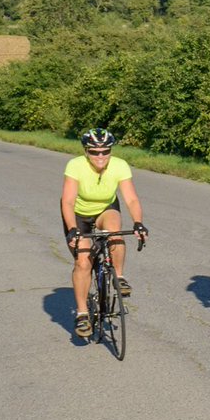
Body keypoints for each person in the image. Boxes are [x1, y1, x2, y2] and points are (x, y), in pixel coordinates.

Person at [61, 127, 148, 338]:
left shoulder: (120, 165)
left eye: (105, 151)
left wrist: (138, 223)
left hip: (105, 209)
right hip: (79, 215)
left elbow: (131, 199)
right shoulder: (75, 165)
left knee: (114, 231)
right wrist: (72, 229)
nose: (100, 156)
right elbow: (68, 201)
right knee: (83, 262)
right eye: (94, 152)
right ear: (86, 151)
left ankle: (119, 276)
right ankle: (82, 313)